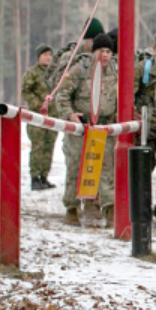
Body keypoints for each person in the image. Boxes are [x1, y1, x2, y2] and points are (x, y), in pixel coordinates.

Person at [55, 33, 118, 227]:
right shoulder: (80, 70)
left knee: (106, 170)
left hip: (103, 129)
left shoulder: (115, 71)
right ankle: (71, 209)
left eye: (108, 51)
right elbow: (62, 95)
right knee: (75, 167)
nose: (105, 55)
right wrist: (70, 114)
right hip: (80, 129)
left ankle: (110, 211)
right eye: (101, 51)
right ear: (94, 52)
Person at [22, 45, 59, 191]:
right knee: (38, 147)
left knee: (49, 146)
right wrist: (38, 105)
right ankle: (34, 178)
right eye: (44, 55)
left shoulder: (54, 74)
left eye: (50, 55)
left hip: (52, 116)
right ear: (38, 57)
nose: (48, 57)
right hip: (37, 117)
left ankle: (44, 176)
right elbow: (26, 91)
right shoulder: (32, 73)